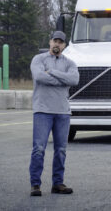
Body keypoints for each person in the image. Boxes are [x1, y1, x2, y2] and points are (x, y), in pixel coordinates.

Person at [29, 31, 79, 196]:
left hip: (63, 112)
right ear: (50, 42)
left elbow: (74, 80)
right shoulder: (38, 59)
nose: (57, 44)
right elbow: (39, 77)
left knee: (61, 150)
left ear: (64, 45)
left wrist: (52, 72)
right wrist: (61, 80)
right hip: (43, 110)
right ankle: (35, 184)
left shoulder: (70, 63)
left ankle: (58, 184)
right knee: (39, 148)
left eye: (60, 42)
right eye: (55, 41)